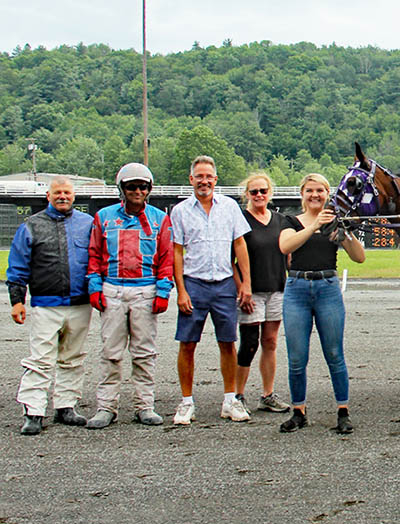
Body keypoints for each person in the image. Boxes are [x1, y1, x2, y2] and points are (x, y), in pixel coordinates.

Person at [84, 163, 174, 429]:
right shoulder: (104, 217)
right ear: (121, 188)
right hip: (112, 290)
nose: (137, 191)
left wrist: (163, 291)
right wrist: (94, 287)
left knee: (144, 354)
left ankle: (144, 406)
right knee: (110, 353)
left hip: (145, 291)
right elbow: (94, 255)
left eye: (142, 186)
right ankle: (106, 407)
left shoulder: (160, 219)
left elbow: (166, 258)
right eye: (131, 186)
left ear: (149, 189)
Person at [277, 173, 366, 434]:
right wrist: (314, 225)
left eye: (320, 191)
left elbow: (359, 257)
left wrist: (345, 232)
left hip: (327, 287)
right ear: (302, 194)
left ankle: (343, 411)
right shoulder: (290, 220)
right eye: (310, 190)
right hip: (297, 288)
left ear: (328, 194)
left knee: (335, 354)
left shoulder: (334, 223)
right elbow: (285, 246)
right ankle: (299, 411)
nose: (315, 195)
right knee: (296, 357)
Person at [170, 155, 253, 425]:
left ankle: (230, 399)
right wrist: (181, 290)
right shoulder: (180, 210)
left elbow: (240, 246)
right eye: (199, 176)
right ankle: (186, 402)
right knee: (188, 343)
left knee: (228, 342)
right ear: (191, 179)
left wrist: (246, 284)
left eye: (209, 176)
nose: (204, 181)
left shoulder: (229, 207)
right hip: (194, 283)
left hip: (224, 284)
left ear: (215, 180)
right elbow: (177, 252)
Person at [7, 177, 93, 435]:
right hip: (46, 305)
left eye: (67, 192)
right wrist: (17, 301)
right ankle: (33, 411)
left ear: (74, 196)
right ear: (48, 195)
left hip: (80, 304)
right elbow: (18, 265)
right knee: (40, 360)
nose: (62, 196)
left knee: (72, 358)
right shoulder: (31, 226)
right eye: (58, 192)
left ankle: (66, 406)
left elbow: (98, 260)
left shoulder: (88, 225)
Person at [233, 172, 291, 416]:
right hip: (251, 291)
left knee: (270, 341)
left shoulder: (280, 221)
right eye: (254, 192)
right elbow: (231, 260)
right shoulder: (240, 220)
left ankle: (267, 394)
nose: (258, 195)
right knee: (248, 343)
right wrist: (241, 288)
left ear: (270, 193)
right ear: (247, 194)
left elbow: (289, 253)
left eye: (263, 191)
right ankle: (237, 395)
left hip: (276, 287)